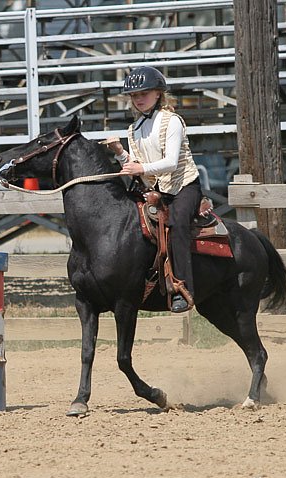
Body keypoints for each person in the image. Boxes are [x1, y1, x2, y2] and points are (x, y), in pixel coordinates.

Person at [104, 66, 202, 313]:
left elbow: (170, 162)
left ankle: (182, 287)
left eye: (144, 93)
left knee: (178, 223)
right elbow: (135, 165)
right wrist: (119, 152)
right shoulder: (133, 129)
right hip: (156, 189)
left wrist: (139, 168)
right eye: (134, 95)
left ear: (158, 93)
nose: (138, 98)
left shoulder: (172, 121)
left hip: (183, 187)